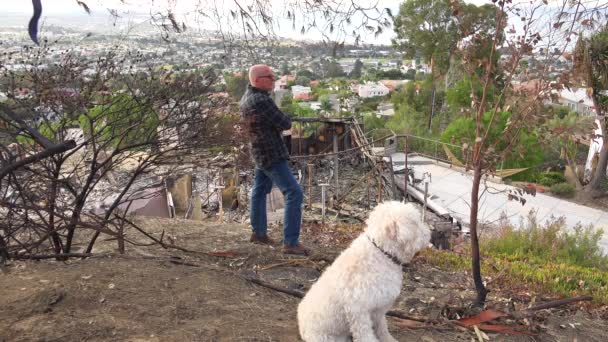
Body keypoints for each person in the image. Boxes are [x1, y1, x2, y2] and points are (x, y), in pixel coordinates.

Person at [240, 64, 309, 255]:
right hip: (271, 153)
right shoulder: (262, 101)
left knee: (259, 190)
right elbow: (285, 122)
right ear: (257, 79)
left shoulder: (246, 98)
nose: (273, 79)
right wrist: (284, 118)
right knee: (294, 192)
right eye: (269, 76)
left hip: (258, 151)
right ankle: (291, 242)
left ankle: (259, 233)